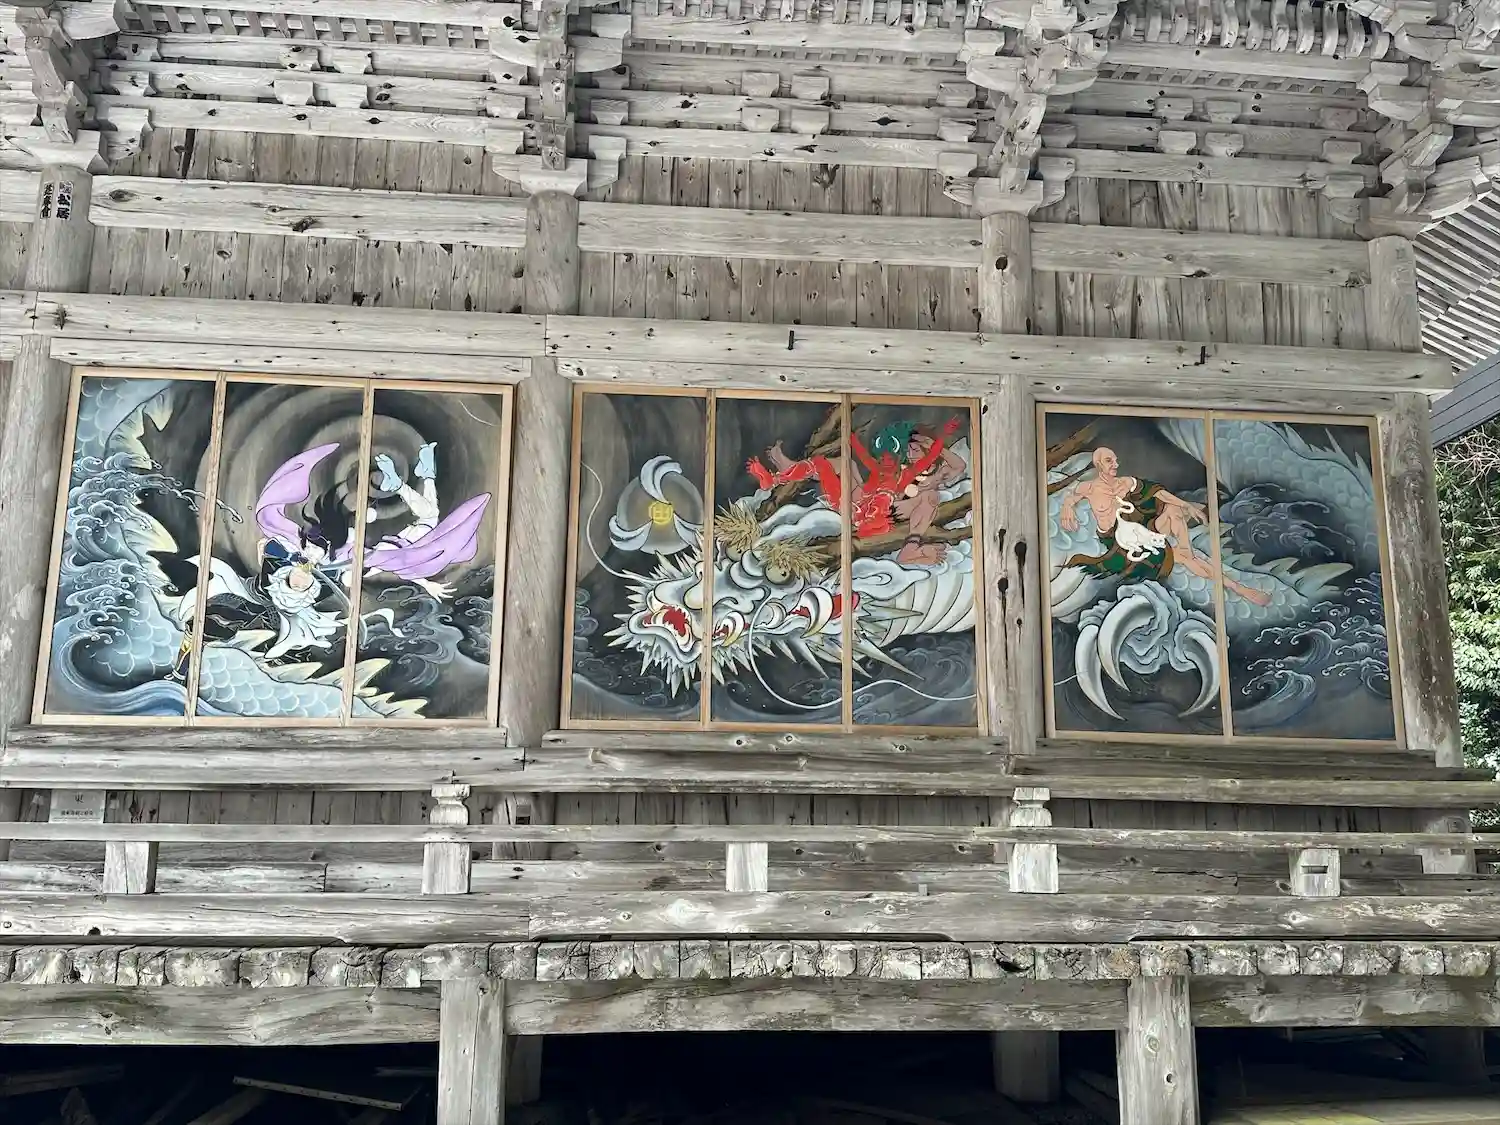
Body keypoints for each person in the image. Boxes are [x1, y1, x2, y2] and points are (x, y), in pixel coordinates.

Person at [1058, 446, 1270, 606]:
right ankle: (1238, 587)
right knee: (1182, 555)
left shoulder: (1127, 482)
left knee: (1173, 509)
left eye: (1115, 460)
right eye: (1109, 461)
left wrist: (1187, 505)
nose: (1115, 464)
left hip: (1140, 529)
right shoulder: (1089, 488)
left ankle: (1189, 551)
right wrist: (1067, 507)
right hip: (1120, 542)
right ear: (1098, 464)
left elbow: (1158, 493)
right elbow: (1071, 497)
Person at [746, 416, 965, 562]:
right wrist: (850, 435)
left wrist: (938, 441)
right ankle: (780, 476)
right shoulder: (895, 469)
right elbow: (862, 455)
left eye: (915, 449)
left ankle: (911, 547)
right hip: (859, 504)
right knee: (846, 463)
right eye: (907, 449)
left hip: (886, 512)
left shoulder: (934, 473)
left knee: (930, 497)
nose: (909, 453)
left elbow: (956, 465)